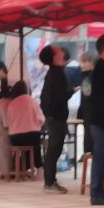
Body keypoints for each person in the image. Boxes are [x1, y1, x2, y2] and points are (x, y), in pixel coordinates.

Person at [83, 33, 104, 205]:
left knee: (102, 157)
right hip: (100, 120)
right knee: (101, 158)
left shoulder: (102, 67)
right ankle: (97, 193)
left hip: (99, 119)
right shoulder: (102, 69)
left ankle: (100, 191)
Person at [38, 43, 71, 194]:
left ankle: (50, 180)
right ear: (54, 56)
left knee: (54, 148)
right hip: (56, 116)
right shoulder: (57, 73)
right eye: (57, 50)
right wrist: (71, 91)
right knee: (54, 149)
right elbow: (59, 97)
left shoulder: (53, 72)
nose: (60, 50)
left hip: (53, 115)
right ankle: (49, 182)